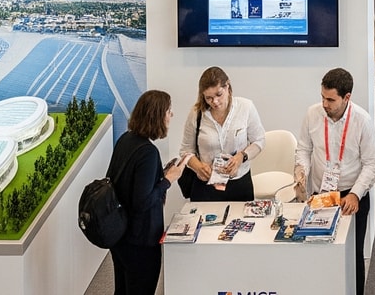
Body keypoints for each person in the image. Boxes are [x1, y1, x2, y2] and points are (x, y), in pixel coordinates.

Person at [295, 68, 375, 295]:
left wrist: (355, 194)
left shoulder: (362, 121)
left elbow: (372, 163)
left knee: (352, 256)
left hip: (351, 196)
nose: (325, 104)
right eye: (322, 97)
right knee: (318, 251)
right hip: (320, 195)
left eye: (331, 99)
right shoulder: (312, 114)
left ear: (347, 98)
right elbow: (303, 149)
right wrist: (301, 171)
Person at [109, 91, 191, 295]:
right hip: (140, 241)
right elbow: (142, 202)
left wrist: (160, 176)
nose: (171, 116)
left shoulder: (126, 140)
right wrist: (168, 179)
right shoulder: (148, 152)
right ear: (158, 116)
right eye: (169, 111)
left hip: (120, 236)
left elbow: (128, 184)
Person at [179, 66, 266, 201]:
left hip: (239, 182)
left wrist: (241, 157)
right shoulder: (196, 113)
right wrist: (198, 167)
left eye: (219, 95)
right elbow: (185, 151)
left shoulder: (246, 107)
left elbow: (259, 141)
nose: (215, 102)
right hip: (206, 185)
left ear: (228, 87)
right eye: (209, 98)